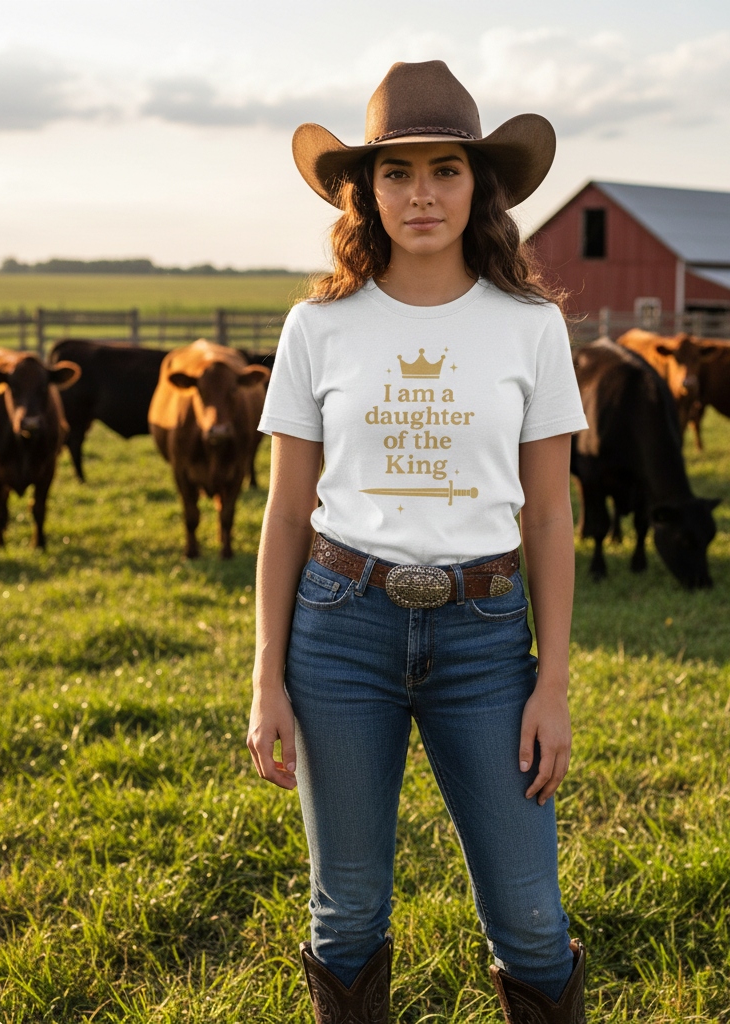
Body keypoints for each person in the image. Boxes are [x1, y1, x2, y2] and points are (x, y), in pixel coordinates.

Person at [246, 60, 589, 1024]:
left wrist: (551, 683)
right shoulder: (319, 326)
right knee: (346, 911)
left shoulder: (530, 328)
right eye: (397, 173)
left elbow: (551, 516)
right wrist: (268, 674)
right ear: (365, 191)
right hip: (339, 630)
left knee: (529, 917)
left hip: (485, 639)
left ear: (481, 184)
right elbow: (285, 512)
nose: (422, 193)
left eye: (447, 168)